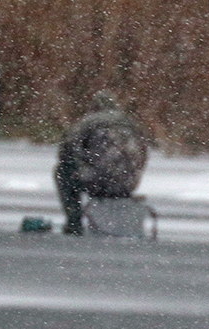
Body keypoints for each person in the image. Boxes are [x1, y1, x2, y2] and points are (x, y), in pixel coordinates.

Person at [55, 90, 148, 236]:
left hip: (98, 183)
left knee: (63, 172)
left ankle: (74, 223)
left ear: (94, 107)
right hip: (128, 184)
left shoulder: (88, 122)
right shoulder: (130, 123)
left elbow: (66, 151)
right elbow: (143, 154)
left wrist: (84, 166)